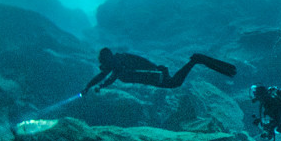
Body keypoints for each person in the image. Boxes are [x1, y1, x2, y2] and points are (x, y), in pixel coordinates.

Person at [84, 48, 236, 94]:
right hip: (154, 73)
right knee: (174, 83)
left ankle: (195, 60)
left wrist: (96, 86)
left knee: (175, 83)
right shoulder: (118, 61)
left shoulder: (117, 63)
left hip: (154, 75)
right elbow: (104, 76)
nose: (103, 66)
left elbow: (108, 76)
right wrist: (91, 87)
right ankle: (196, 60)